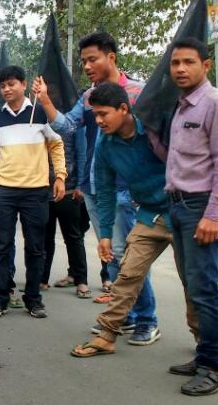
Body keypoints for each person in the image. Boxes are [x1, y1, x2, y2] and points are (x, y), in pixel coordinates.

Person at [33, 31, 153, 338]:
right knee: (109, 254)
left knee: (131, 257)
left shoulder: (138, 93)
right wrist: (45, 100)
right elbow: (67, 126)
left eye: (92, 59)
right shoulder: (89, 97)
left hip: (128, 188)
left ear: (110, 57)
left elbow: (155, 139)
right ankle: (123, 314)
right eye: (83, 60)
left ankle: (146, 321)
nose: (86, 66)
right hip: (95, 187)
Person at [70, 83, 200, 357]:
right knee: (127, 273)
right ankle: (107, 335)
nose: (98, 121)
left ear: (124, 109)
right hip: (149, 215)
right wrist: (104, 234)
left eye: (103, 114)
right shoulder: (105, 144)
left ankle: (206, 344)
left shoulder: (156, 128)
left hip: (182, 212)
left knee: (193, 282)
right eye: (94, 114)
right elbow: (104, 191)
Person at [163, 37, 218, 396]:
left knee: (205, 288)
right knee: (193, 286)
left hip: (201, 207)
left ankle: (216, 365)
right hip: (177, 206)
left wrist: (214, 212)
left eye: (188, 62)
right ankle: (206, 353)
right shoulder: (181, 108)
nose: (180, 69)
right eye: (175, 63)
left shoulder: (217, 104)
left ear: (205, 65)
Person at [0, 65, 66, 319]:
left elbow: (57, 145)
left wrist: (60, 176)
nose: (6, 89)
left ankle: (33, 299)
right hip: (5, 191)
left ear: (23, 84)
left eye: (11, 84)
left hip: (36, 191)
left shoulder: (41, 113)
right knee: (1, 246)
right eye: (2, 85)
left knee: (35, 248)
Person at [40, 124, 91, 299]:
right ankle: (42, 279)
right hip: (42, 191)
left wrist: (80, 185)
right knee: (45, 238)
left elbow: (82, 154)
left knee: (73, 238)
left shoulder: (73, 125)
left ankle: (81, 281)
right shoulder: (39, 121)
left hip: (68, 191)